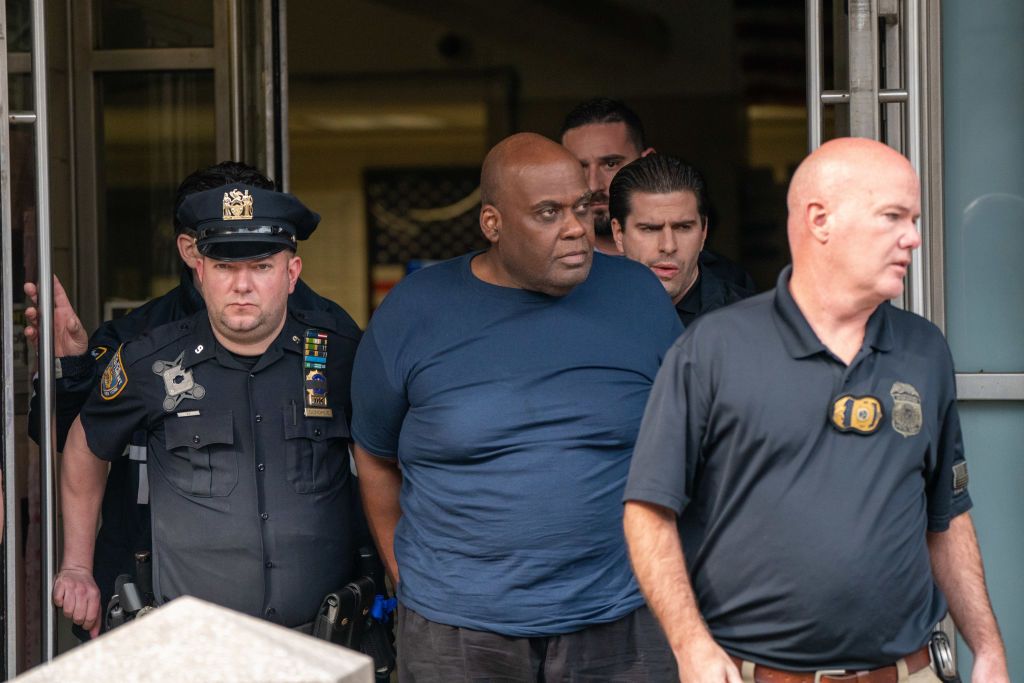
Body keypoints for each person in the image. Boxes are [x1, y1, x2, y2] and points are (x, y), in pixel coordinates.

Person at [623, 138, 1009, 682]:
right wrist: (690, 645)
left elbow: (947, 514)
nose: (913, 238)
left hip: (908, 672)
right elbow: (648, 512)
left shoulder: (924, 349)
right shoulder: (714, 349)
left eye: (914, 218)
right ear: (820, 219)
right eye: (892, 216)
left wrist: (988, 648)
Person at [351, 132, 682, 681]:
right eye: (548, 213)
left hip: (620, 617)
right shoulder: (415, 310)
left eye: (581, 208)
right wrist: (404, 573)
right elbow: (374, 452)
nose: (575, 227)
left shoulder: (638, 296)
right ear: (492, 224)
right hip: (455, 630)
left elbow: (684, 444)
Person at [23, 161, 355, 637]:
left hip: (314, 629)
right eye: (224, 263)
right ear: (195, 259)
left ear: (290, 269)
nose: (242, 284)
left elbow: (386, 460)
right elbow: (73, 436)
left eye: (261, 264)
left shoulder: (336, 346)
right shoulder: (143, 348)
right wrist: (78, 567)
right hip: (170, 609)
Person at [560, 96, 756, 291]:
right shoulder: (550, 278)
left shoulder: (728, 281)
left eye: (611, 164)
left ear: (647, 160)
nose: (594, 185)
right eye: (580, 167)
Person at [609, 154, 752, 326]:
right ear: (618, 233)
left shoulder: (751, 323)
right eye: (650, 229)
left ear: (704, 231)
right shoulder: (585, 317)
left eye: (683, 227)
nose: (668, 246)